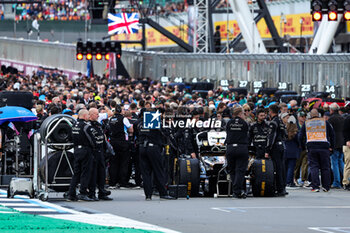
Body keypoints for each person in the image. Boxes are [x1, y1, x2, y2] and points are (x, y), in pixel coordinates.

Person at [137, 108, 173, 200]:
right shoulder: (155, 122)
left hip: (142, 147)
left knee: (146, 173)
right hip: (153, 148)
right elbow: (165, 133)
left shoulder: (140, 124)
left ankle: (148, 195)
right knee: (158, 171)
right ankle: (163, 193)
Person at [299, 109, 335, 192]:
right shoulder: (325, 122)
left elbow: (300, 136)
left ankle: (315, 186)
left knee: (314, 166)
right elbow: (332, 135)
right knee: (325, 167)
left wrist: (303, 146)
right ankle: (326, 186)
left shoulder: (307, 123)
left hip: (312, 147)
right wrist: (331, 146)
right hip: (324, 146)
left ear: (310, 115)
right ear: (318, 115)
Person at [67, 109, 97, 201]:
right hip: (85, 150)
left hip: (77, 150)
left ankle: (71, 193)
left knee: (76, 173)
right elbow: (92, 140)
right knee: (85, 173)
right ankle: (83, 192)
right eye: (88, 115)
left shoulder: (74, 125)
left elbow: (70, 138)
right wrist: (94, 147)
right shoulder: (86, 126)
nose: (89, 117)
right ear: (84, 116)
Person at [88, 108, 113, 201]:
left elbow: (103, 137)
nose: (98, 116)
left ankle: (102, 192)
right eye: (96, 114)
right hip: (93, 151)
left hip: (101, 151)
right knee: (93, 173)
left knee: (102, 172)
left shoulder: (98, 125)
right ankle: (92, 193)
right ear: (90, 115)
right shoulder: (88, 125)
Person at [106, 104, 133, 189]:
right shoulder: (124, 119)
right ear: (120, 110)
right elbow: (130, 129)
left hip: (113, 142)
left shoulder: (110, 119)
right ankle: (122, 183)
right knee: (124, 163)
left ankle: (113, 183)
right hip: (123, 143)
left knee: (113, 163)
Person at [225, 107, 249, 199]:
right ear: (239, 114)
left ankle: (236, 190)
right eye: (243, 113)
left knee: (232, 170)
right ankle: (237, 191)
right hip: (241, 147)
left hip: (230, 147)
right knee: (240, 170)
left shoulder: (229, 123)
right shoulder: (244, 123)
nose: (244, 115)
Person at [265, 104, 287, 196]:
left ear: (271, 111)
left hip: (276, 147)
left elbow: (271, 137)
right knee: (281, 167)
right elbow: (285, 134)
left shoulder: (273, 122)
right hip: (282, 145)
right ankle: (283, 187)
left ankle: (280, 189)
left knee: (277, 168)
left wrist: (267, 149)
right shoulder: (281, 121)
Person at [328, 103, 345, 189]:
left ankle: (336, 182)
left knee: (334, 163)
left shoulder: (331, 119)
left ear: (331, 110)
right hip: (342, 142)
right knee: (341, 162)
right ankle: (344, 180)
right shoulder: (343, 118)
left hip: (335, 142)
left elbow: (329, 132)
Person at [343, 112, 350, 190]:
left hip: (347, 143)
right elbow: (345, 131)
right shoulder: (348, 119)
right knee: (348, 164)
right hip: (348, 145)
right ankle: (345, 182)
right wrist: (347, 140)